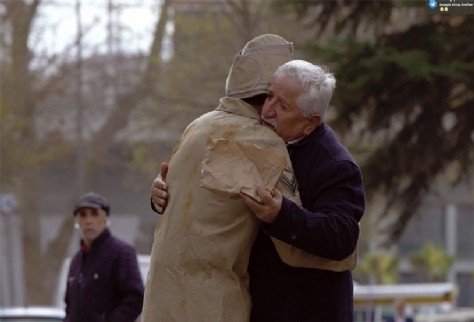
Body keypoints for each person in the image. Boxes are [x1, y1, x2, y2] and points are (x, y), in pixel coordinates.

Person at [151, 59, 366, 322]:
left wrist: (281, 216)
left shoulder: (335, 164)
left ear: (311, 123)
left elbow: (342, 236)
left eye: (283, 105)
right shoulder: (255, 141)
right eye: (269, 96)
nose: (267, 110)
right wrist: (164, 190)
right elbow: (208, 187)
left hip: (308, 311)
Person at [141, 34, 297, 322]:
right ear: (270, 96)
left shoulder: (197, 126)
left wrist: (157, 194)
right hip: (214, 304)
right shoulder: (261, 141)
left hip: (159, 302)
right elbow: (294, 242)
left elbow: (183, 197)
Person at [64, 192, 144, 322]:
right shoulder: (76, 261)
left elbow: (136, 298)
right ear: (77, 221)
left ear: (105, 218)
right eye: (83, 215)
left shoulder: (121, 253)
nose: (89, 220)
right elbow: (69, 306)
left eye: (94, 214)